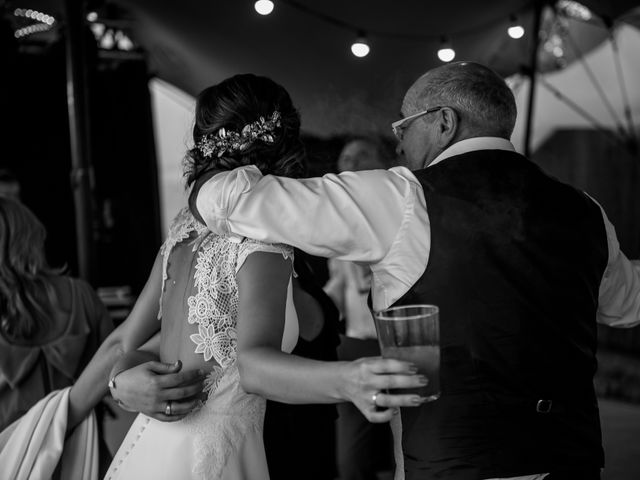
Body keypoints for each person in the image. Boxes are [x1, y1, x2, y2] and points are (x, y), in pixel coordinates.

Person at [192, 62, 640, 480]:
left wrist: (218, 154)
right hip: (572, 459)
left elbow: (225, 199)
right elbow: (626, 305)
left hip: (456, 463)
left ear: (444, 122)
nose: (398, 143)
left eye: (403, 126)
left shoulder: (401, 198)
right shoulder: (586, 209)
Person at [61, 74, 425, 480]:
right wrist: (352, 380)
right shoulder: (265, 239)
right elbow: (254, 365)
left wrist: (106, 389)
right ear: (286, 137)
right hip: (220, 456)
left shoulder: (184, 231)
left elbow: (125, 343)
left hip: (155, 449)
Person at [0, 197, 114, 470]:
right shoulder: (82, 296)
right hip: (85, 462)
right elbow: (119, 374)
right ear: (33, 239)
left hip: (10, 462)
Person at [324, 137, 396, 480]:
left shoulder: (403, 213)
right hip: (355, 344)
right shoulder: (335, 225)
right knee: (353, 458)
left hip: (400, 342)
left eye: (361, 155)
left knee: (407, 441)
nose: (350, 163)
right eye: (345, 156)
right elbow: (339, 286)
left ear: (383, 164)